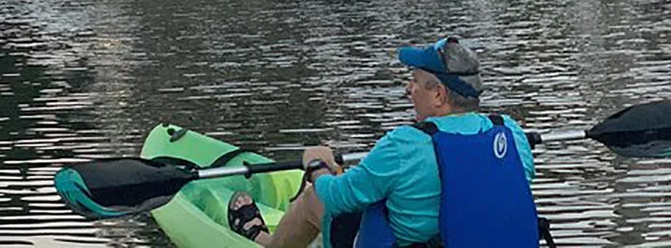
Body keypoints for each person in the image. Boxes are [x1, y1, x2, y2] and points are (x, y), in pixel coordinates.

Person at [227, 36, 549, 248]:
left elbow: (338, 198)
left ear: (438, 94)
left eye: (415, 82)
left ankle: (267, 243)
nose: (409, 90)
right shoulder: (509, 131)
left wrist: (317, 165)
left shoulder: (405, 144)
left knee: (316, 199)